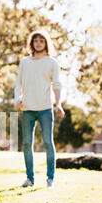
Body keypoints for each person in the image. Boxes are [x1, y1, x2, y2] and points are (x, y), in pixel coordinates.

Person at [14, 30, 65, 188]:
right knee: (27, 143)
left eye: (41, 41)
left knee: (48, 143)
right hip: (27, 109)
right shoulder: (24, 62)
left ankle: (50, 179)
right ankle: (30, 179)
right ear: (32, 43)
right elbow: (18, 84)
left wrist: (58, 104)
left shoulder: (52, 63)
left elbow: (57, 85)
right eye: (35, 40)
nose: (38, 43)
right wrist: (18, 99)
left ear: (46, 43)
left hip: (45, 109)